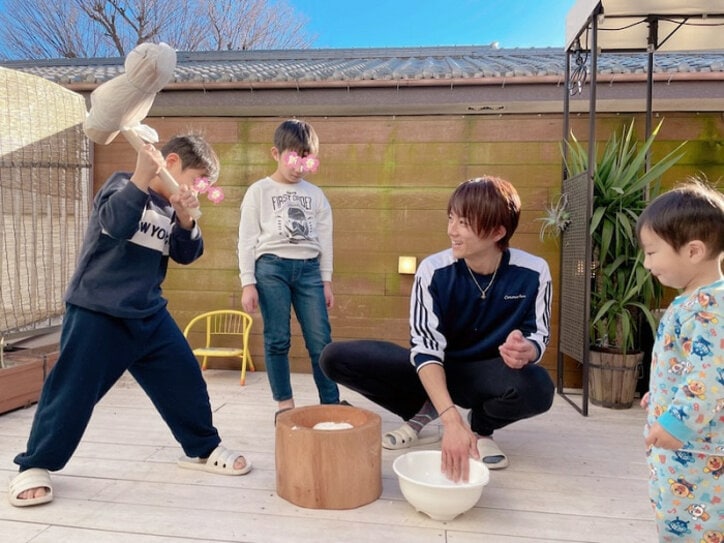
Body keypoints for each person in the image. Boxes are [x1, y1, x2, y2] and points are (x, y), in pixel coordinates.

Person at [8, 133, 251, 508]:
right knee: (72, 391)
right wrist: (141, 178)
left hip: (148, 314)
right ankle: (35, 464)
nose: (198, 190)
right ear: (171, 164)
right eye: (197, 179)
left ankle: (203, 448)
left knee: (184, 378)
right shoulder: (123, 184)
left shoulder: (172, 209)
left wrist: (186, 218)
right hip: (97, 310)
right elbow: (115, 224)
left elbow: (187, 255)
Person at [320, 176, 555, 481]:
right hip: (436, 370)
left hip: (488, 375)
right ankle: (427, 408)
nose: (451, 231)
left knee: (539, 386)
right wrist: (450, 420)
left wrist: (528, 349)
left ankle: (481, 430)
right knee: (334, 357)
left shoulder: (533, 272)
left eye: (464, 223)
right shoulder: (433, 271)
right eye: (451, 218)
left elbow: (539, 333)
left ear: (498, 231)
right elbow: (426, 348)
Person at [636, 178, 723, 543]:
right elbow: (687, 365)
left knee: (693, 527)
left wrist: (677, 423)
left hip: (699, 455)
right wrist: (660, 393)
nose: (646, 262)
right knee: (675, 515)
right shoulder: (695, 300)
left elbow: (712, 376)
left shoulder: (711, 307)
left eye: (653, 252)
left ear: (693, 251)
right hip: (685, 451)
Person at [238, 119, 341, 420]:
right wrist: (248, 282)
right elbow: (246, 239)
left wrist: (326, 280)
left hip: (309, 270)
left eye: (306, 159)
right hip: (271, 268)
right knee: (278, 338)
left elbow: (325, 239)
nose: (299, 166)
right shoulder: (259, 191)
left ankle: (331, 402)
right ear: (276, 153)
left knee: (320, 339)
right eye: (293, 158)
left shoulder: (316, 195)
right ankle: (284, 404)